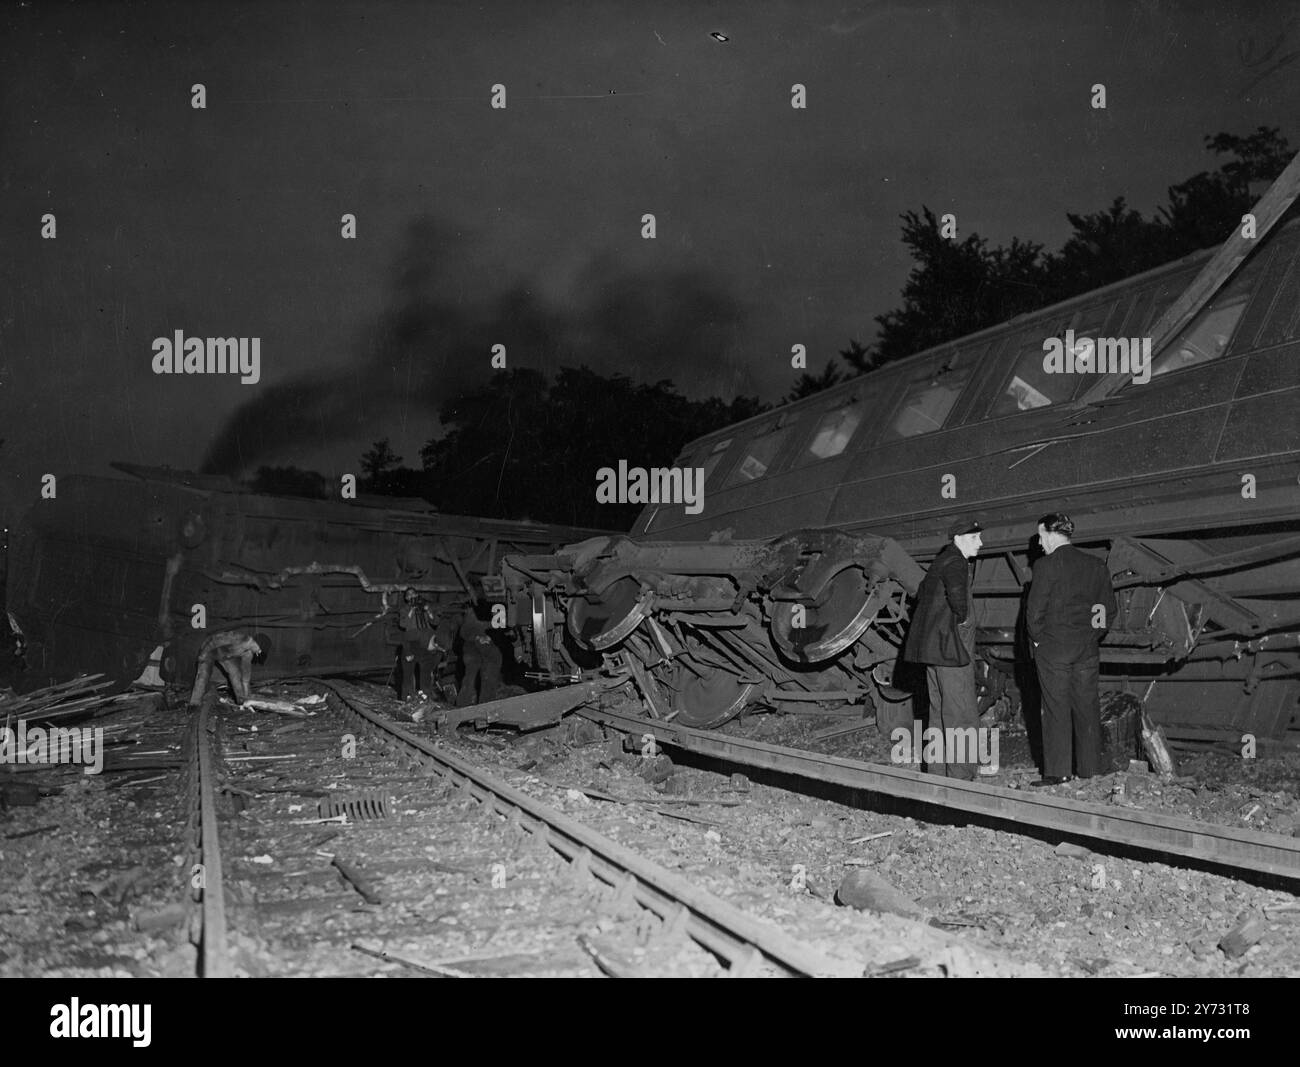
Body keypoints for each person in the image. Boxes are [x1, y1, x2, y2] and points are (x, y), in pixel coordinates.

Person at [1025, 513, 1117, 787]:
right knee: (1087, 708)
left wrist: (1040, 640)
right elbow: (1106, 609)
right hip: (1087, 649)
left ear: (1052, 535)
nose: (1040, 543)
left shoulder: (1046, 565)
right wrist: (1092, 634)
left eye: (1041, 537)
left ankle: (1059, 771)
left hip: (1054, 649)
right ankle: (1090, 771)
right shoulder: (1095, 565)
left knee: (1056, 710)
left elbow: (1034, 613)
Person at [901, 517, 983, 779]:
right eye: (974, 538)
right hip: (953, 652)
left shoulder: (940, 560)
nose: (980, 543)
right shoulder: (958, 561)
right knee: (961, 712)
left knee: (937, 712)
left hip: (935, 652)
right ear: (958, 540)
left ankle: (937, 775)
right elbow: (958, 597)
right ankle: (961, 778)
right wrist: (964, 620)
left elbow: (923, 592)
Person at [456, 600, 503, 707]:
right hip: (474, 648)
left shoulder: (472, 618)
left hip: (472, 649)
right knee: (480, 672)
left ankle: (465, 704)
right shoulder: (471, 615)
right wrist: (478, 637)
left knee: (473, 675)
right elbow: (465, 631)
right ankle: (481, 702)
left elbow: (466, 631)